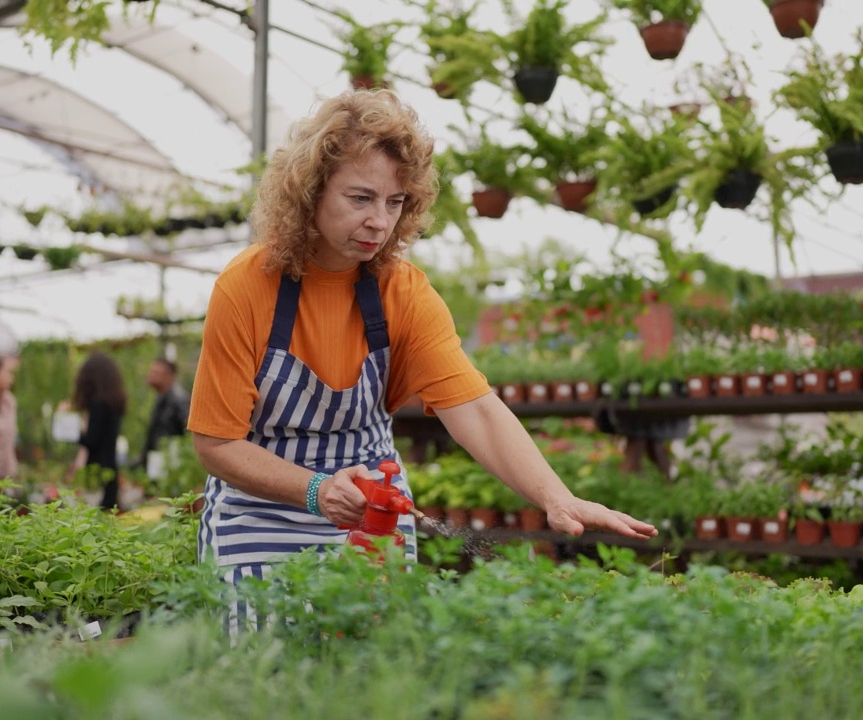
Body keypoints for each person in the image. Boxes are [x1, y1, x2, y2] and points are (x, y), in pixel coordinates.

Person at [189, 90, 655, 626]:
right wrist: (313, 490)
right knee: (266, 674)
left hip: (374, 513)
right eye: (361, 198)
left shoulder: (401, 291)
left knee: (374, 679)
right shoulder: (247, 286)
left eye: (395, 203)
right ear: (310, 191)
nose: (379, 223)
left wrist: (557, 497)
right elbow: (217, 441)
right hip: (260, 512)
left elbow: (474, 408)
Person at [69, 352, 127, 511]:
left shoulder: (97, 404)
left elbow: (91, 441)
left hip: (96, 472)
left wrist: (73, 427)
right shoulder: (114, 403)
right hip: (111, 469)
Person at [133, 358, 191, 474]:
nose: (150, 375)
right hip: (159, 461)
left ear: (169, 376)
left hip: (170, 463)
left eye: (155, 372)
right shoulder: (161, 399)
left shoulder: (177, 400)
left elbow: (187, 433)